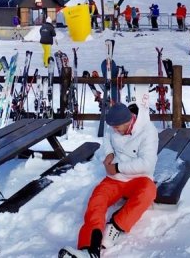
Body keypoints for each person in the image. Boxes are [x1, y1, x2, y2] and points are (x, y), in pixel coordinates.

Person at [59, 103, 158, 258]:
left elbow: (147, 164)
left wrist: (117, 167)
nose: (115, 130)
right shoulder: (114, 127)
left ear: (129, 120)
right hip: (115, 179)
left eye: (118, 127)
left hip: (139, 178)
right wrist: (109, 154)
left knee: (149, 192)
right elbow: (107, 138)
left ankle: (116, 226)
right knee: (97, 200)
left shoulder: (148, 131)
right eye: (113, 127)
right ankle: (89, 249)